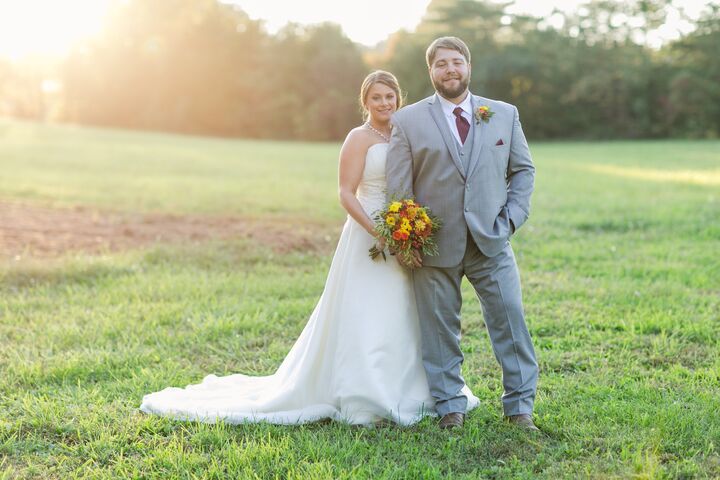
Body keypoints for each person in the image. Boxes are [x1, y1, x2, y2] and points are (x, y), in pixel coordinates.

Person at [140, 70, 479, 426]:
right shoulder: (358, 137)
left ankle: (412, 388)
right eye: (377, 98)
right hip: (370, 232)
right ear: (365, 102)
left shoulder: (405, 131)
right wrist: (378, 231)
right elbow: (346, 193)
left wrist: (411, 227)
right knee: (368, 308)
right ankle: (364, 392)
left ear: (399, 98)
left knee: (405, 309)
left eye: (390, 97)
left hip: (404, 229)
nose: (384, 103)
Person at [386, 37, 540, 431]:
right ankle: (450, 404)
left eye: (456, 62)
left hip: (492, 241)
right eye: (441, 64)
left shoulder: (503, 113)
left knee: (511, 322)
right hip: (433, 246)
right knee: (439, 330)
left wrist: (511, 219)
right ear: (431, 71)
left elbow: (523, 170)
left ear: (468, 67)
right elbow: (399, 189)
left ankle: (520, 407)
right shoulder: (407, 120)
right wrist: (407, 242)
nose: (450, 69)